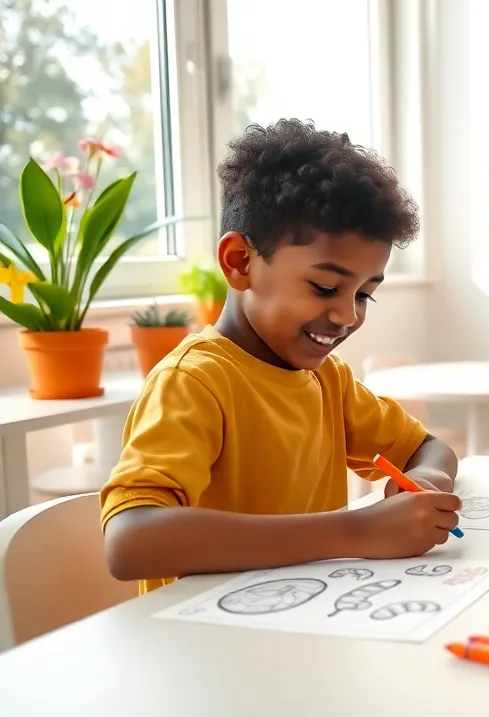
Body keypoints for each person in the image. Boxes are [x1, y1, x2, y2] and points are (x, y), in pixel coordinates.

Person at [100, 119, 461, 593]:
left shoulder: (328, 381)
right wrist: (356, 531)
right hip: (206, 645)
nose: (346, 315)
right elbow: (130, 542)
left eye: (364, 295)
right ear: (240, 262)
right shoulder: (194, 382)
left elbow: (428, 448)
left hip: (304, 626)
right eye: (326, 287)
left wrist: (428, 477)